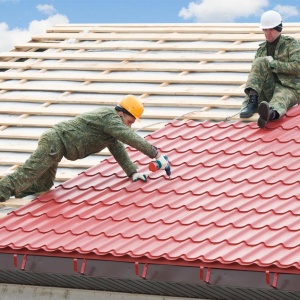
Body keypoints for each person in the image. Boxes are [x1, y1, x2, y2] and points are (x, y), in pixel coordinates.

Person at [0, 95, 169, 202]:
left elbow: (118, 148)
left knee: (44, 185)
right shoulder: (109, 118)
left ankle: (14, 195)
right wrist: (156, 154)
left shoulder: (110, 130)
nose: (129, 127)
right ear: (121, 114)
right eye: (130, 122)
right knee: (27, 175)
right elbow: (129, 138)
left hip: (58, 146)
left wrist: (132, 172)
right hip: (55, 142)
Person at [239, 10, 300, 128]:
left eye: (271, 29)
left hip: (290, 87)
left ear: (278, 28)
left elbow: (298, 66)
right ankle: (252, 102)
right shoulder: (261, 50)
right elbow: (256, 76)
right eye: (265, 30)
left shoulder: (290, 44)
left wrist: (274, 64)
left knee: (280, 98)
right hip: (269, 87)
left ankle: (270, 114)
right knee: (259, 62)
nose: (268, 33)